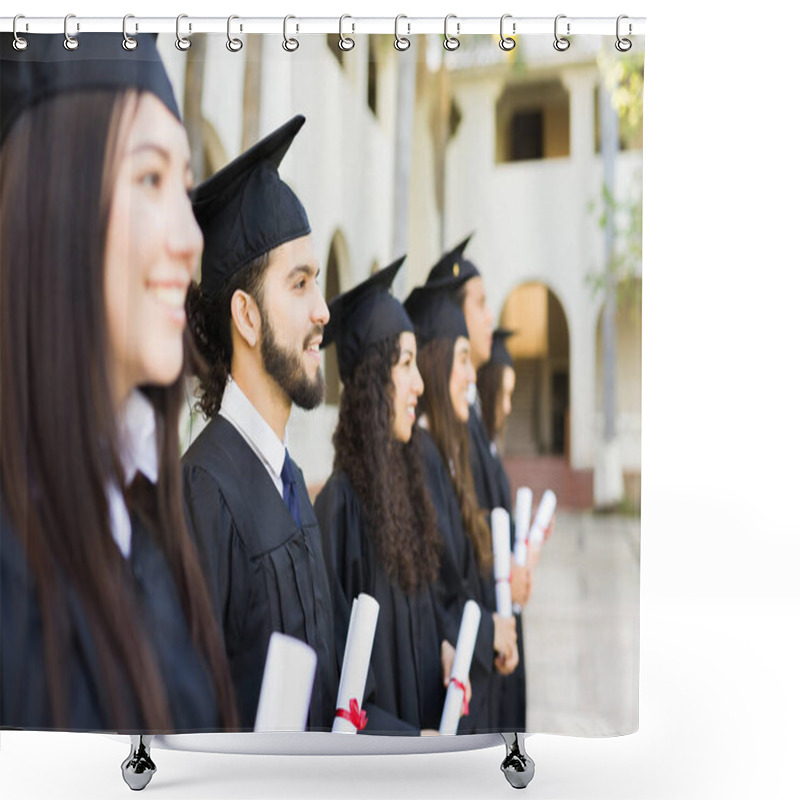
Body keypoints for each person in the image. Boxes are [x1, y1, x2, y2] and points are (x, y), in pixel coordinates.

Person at [0, 33, 237, 732]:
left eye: (184, 186)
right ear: (53, 205)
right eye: (149, 178)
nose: (192, 238)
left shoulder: (141, 525)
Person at [181, 116, 340, 732]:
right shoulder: (201, 494)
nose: (323, 311)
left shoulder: (292, 480)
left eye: (317, 283)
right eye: (298, 284)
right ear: (246, 318)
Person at [314, 258, 460, 734]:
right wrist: (410, 740)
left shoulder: (407, 492)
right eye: (404, 364)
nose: (419, 383)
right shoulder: (340, 510)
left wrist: (443, 642)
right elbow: (338, 689)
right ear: (374, 384)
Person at [404, 271, 518, 734]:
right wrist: (490, 631)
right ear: (436, 363)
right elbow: (438, 596)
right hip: (447, 685)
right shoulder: (424, 460)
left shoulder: (444, 455)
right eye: (463, 359)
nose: (472, 377)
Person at [427, 239, 531, 731]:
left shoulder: (464, 428)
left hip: (488, 638)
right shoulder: (435, 445)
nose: (490, 316)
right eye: (481, 303)